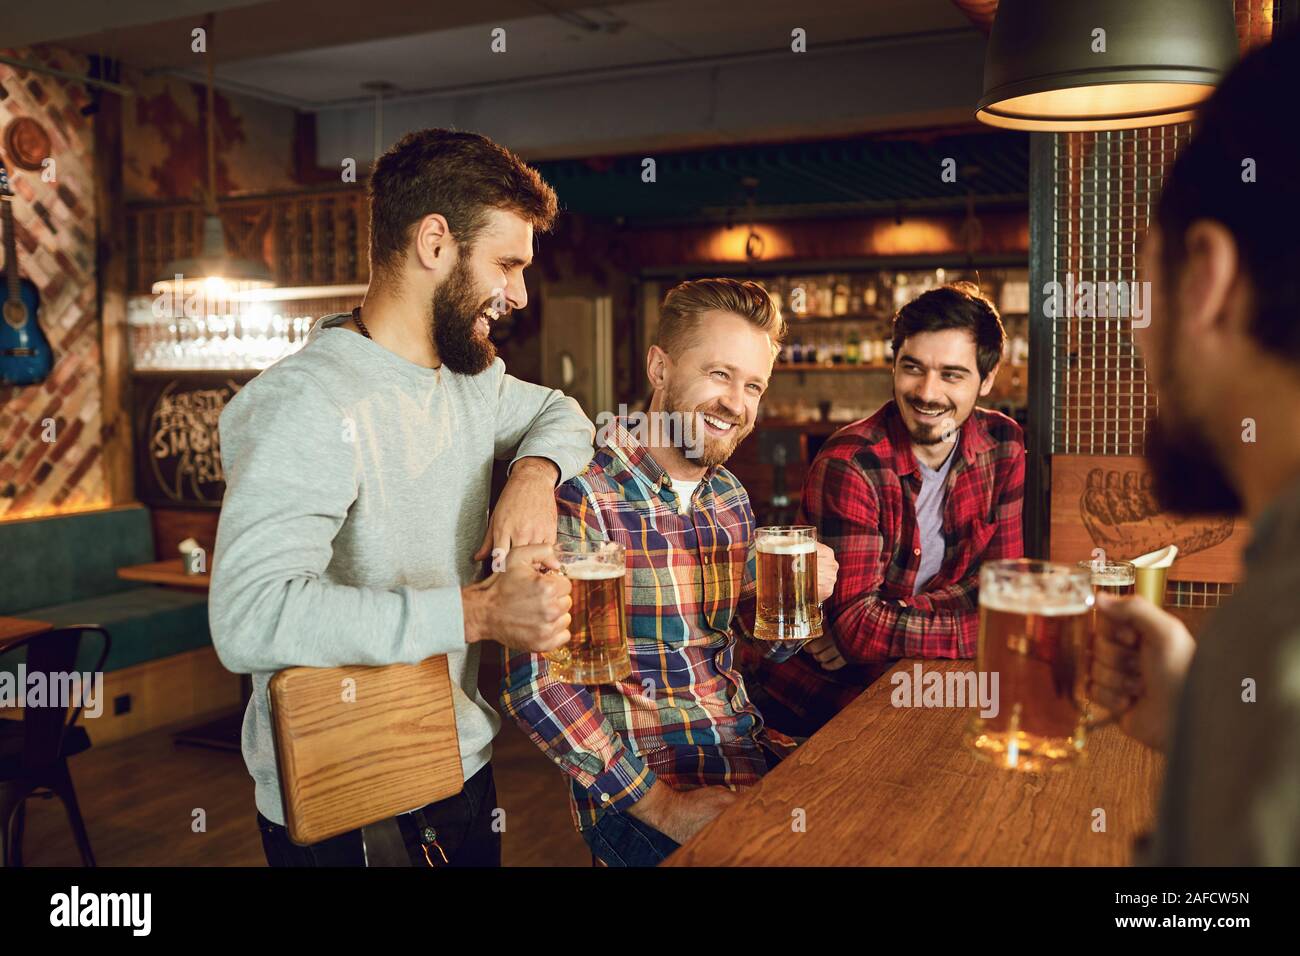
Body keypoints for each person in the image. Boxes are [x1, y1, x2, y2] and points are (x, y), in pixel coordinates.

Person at [208, 128, 594, 867]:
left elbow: (563, 415)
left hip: (458, 764)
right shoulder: (305, 402)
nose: (517, 293)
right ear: (435, 242)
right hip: (348, 795)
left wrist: (533, 475)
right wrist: (477, 611)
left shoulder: (473, 381)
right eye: (507, 264)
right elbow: (249, 617)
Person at [500, 278, 837, 866]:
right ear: (659, 368)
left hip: (744, 748)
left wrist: (797, 610)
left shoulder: (727, 493)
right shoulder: (584, 496)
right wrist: (664, 809)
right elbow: (540, 686)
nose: (737, 402)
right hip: (644, 791)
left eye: (753, 385)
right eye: (719, 374)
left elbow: (755, 650)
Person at [1089, 25, 1300, 865]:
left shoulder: (1278, 638)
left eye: (1145, 278)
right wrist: (1203, 716)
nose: (1140, 336)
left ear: (1205, 279)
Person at [748, 282, 1025, 735]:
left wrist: (884, 621)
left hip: (921, 677)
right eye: (912, 368)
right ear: (894, 364)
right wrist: (985, 627)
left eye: (952, 374)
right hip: (824, 697)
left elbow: (1005, 591)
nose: (927, 392)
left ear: (987, 379)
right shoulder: (852, 463)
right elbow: (857, 627)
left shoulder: (1004, 445)